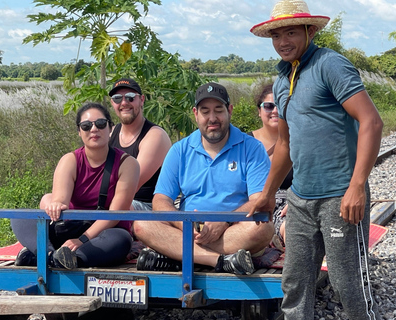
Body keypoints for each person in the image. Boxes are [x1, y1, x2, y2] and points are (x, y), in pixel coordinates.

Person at [249, 0, 383, 319]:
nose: (283, 42)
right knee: (295, 284)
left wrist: (357, 186)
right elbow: (285, 144)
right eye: (277, 35)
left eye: (291, 32)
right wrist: (268, 194)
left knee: (347, 284)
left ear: (310, 31)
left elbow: (371, 121)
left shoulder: (329, 65)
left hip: (340, 197)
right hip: (300, 201)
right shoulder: (282, 81)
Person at [133, 82, 275, 275]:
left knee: (263, 229)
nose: (212, 118)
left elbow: (259, 199)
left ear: (229, 111)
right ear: (195, 113)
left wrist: (224, 222)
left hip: (231, 231)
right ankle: (218, 261)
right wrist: (183, 223)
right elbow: (161, 199)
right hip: (188, 231)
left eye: (218, 110)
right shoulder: (180, 150)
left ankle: (177, 256)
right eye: (205, 111)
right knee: (142, 225)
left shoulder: (252, 148)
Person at [11, 102, 140, 269]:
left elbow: (114, 215)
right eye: (86, 126)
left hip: (103, 232)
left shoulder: (128, 164)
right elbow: (60, 201)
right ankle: (50, 255)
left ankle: (66, 259)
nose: (93, 129)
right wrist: (55, 204)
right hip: (69, 227)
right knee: (20, 216)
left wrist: (81, 241)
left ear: (111, 129)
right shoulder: (69, 160)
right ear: (79, 132)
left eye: (100, 124)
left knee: (121, 240)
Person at [108, 78, 172, 211]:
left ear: (142, 100)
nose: (124, 103)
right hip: (113, 198)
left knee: (119, 206)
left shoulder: (155, 135)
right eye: (117, 98)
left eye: (131, 97)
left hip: (146, 206)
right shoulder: (111, 132)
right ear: (112, 103)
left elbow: (131, 184)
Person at [248, 84, 293, 250]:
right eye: (268, 106)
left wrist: (298, 199)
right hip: (257, 202)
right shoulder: (245, 143)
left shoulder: (299, 141)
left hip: (291, 202)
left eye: (280, 106)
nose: (275, 111)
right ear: (259, 111)